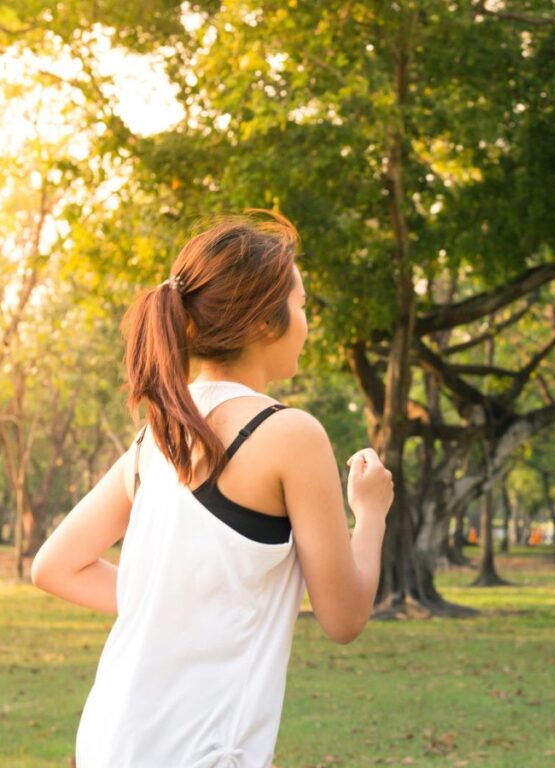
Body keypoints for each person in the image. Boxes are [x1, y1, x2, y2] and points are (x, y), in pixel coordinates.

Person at [30, 211, 393, 767]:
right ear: (265, 324)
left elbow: (55, 565)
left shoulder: (158, 437)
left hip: (107, 740)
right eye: (300, 306)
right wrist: (370, 516)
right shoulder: (289, 435)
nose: (306, 322)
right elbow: (343, 618)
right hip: (200, 751)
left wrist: (170, 605)